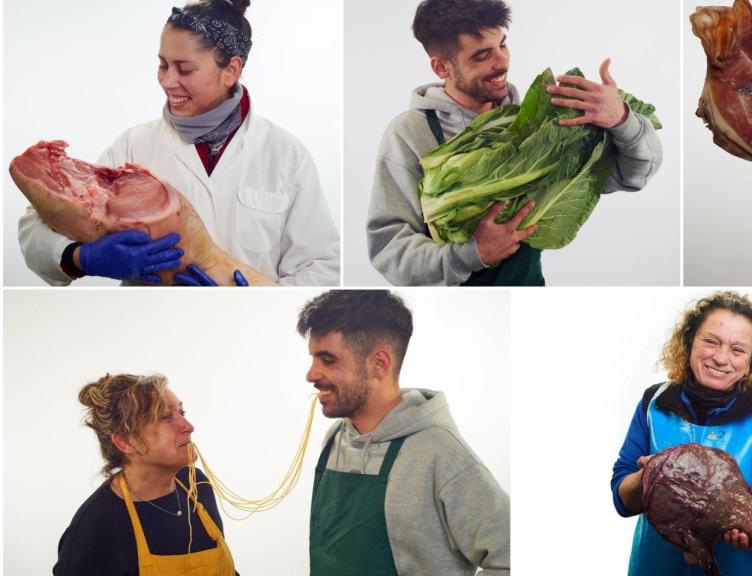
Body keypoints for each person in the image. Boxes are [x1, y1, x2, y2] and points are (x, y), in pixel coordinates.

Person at [19, 0, 339, 287]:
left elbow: (322, 265)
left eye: (184, 69)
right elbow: (36, 226)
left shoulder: (285, 154)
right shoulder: (134, 145)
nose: (167, 80)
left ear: (231, 70)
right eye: (163, 64)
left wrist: (256, 299)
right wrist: (79, 256)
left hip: (241, 326)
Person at [367, 0, 663, 286]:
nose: (502, 61)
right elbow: (388, 248)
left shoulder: (538, 122)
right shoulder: (410, 133)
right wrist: (472, 255)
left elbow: (633, 175)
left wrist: (621, 119)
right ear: (441, 68)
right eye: (482, 55)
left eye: (503, 45)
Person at [297, 290, 509, 575]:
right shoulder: (334, 438)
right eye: (313, 358)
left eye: (328, 360)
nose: (311, 374)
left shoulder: (439, 453)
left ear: (379, 364)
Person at [612, 291, 752, 575]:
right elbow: (622, 499)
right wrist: (651, 476)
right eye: (711, 341)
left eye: (737, 349)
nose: (721, 358)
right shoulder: (654, 401)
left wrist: (748, 529)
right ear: (689, 342)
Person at [55, 374, 236, 575]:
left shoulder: (196, 485)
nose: (188, 426)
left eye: (182, 412)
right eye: (167, 417)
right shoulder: (97, 524)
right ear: (125, 442)